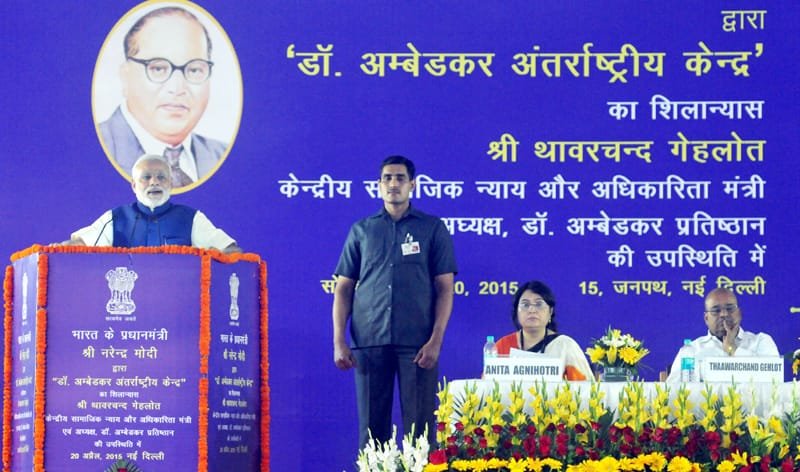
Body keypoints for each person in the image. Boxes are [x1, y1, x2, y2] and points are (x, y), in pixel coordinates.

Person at [332, 155, 457, 449]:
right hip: (370, 340)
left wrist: (436, 340)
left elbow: (445, 289)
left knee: (421, 432)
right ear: (378, 185)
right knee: (372, 433)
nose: (393, 184)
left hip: (418, 343)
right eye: (387, 178)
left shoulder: (432, 228)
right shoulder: (362, 230)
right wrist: (339, 339)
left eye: (400, 178)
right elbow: (343, 289)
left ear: (412, 184)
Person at [99, 6, 226, 187]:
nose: (177, 88)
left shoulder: (221, 156)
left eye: (194, 69)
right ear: (125, 76)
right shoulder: (96, 149)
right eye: (158, 68)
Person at [60, 154, 240, 253]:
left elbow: (230, 251)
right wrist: (56, 250)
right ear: (134, 185)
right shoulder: (116, 218)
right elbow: (80, 244)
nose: (154, 182)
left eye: (161, 177)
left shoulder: (191, 219)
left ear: (170, 183)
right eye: (146, 177)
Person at [666, 287, 779, 383]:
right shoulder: (691, 350)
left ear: (739, 313)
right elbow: (673, 391)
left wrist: (733, 349)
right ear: (706, 318)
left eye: (730, 309)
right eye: (716, 310)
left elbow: (775, 379)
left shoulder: (761, 341)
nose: (724, 314)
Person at [495, 280, 593, 381]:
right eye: (525, 305)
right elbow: (487, 387)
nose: (532, 310)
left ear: (550, 311)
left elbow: (587, 390)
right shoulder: (502, 346)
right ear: (516, 312)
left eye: (539, 304)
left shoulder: (565, 346)